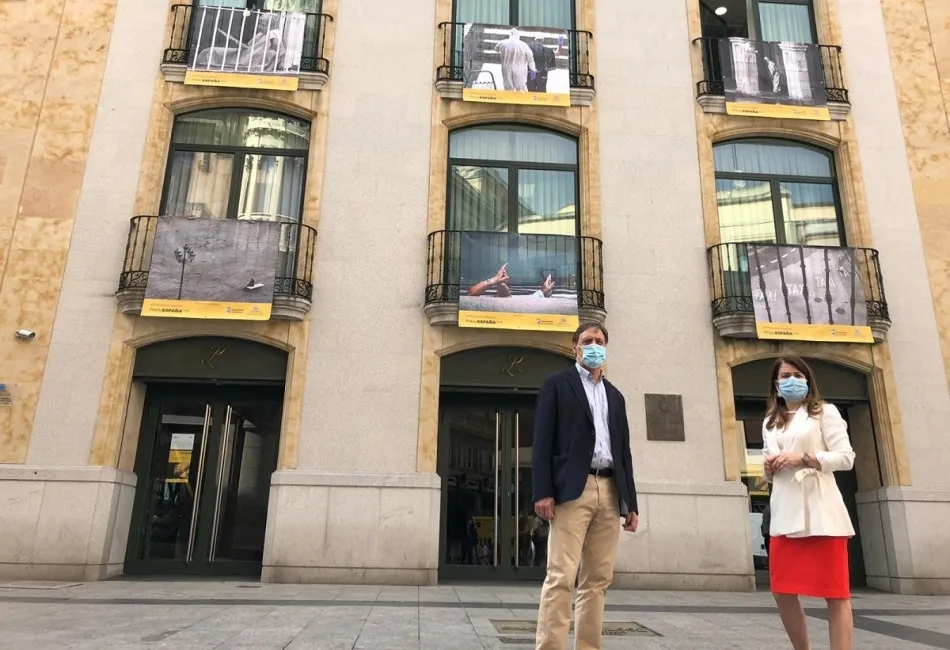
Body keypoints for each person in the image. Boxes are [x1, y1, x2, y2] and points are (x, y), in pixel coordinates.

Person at [532, 323, 639, 650]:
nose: (594, 346)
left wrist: (630, 503)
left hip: (609, 491)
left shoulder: (615, 396)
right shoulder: (557, 385)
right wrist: (542, 491)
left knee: (598, 581)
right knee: (561, 576)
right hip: (570, 490)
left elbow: (624, 452)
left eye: (600, 341)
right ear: (575, 347)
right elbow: (542, 441)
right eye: (587, 341)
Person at [763, 354, 855, 650]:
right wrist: (768, 469)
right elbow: (770, 470)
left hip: (822, 513)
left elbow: (846, 458)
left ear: (808, 380)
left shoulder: (824, 413)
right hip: (785, 515)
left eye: (798, 375)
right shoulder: (770, 422)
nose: (792, 381)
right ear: (776, 385)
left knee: (836, 593)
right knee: (782, 591)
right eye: (786, 376)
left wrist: (805, 458)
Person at [466, 263, 555, 298]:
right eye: (501, 274)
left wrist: (544, 291)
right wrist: (493, 281)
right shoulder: (487, 300)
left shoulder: (523, 301)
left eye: (506, 275)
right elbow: (470, 294)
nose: (504, 277)